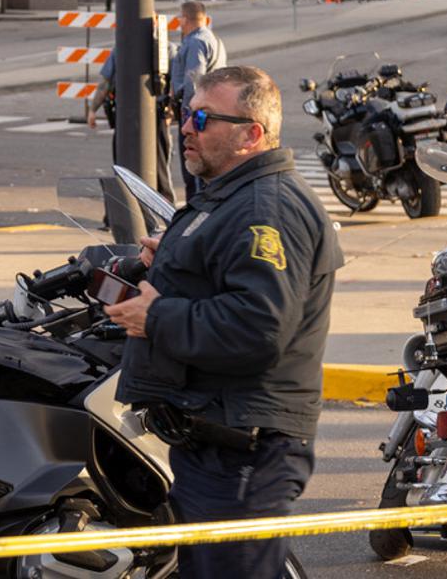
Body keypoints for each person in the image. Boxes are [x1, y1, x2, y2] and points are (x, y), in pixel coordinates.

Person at [108, 66, 342, 579]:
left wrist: (156, 315)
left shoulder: (267, 208)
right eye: (185, 115)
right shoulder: (229, 196)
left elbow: (258, 327)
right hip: (214, 443)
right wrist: (168, 258)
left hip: (243, 452)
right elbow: (222, 275)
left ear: (250, 134)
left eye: (200, 118)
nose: (185, 128)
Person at [88, 55, 175, 208]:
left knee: (123, 168)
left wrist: (93, 110)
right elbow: (176, 82)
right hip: (156, 115)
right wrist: (171, 110)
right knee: (159, 170)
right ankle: (165, 212)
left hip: (126, 116)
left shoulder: (121, 48)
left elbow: (105, 83)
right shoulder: (166, 48)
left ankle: (122, 212)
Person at [169, 1, 227, 198]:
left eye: (179, 18)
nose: (179, 23)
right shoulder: (214, 40)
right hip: (211, 114)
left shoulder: (195, 43)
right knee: (207, 171)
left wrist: (187, 117)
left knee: (193, 173)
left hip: (196, 118)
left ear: (185, 19)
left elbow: (194, 82)